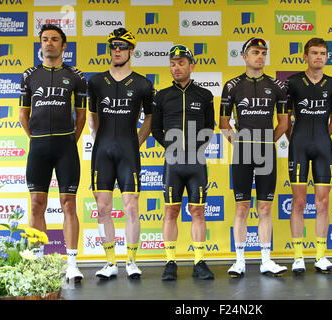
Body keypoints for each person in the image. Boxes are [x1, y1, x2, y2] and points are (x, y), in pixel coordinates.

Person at [19, 24, 87, 282]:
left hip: (65, 147)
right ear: (41, 44)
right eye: (45, 39)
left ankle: (72, 264)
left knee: (68, 204)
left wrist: (71, 140)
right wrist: (35, 139)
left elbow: (81, 115)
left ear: (63, 45)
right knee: (37, 204)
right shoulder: (28, 76)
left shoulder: (77, 76)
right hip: (38, 147)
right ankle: (38, 262)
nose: (49, 43)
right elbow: (23, 114)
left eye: (54, 40)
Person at [87, 28, 154, 279]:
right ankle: (110, 262)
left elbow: (150, 117)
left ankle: (132, 262)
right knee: (103, 208)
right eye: (113, 46)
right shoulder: (95, 82)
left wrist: (136, 141)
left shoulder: (143, 84)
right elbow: (91, 115)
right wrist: (96, 137)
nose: (117, 50)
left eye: (122, 47)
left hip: (128, 150)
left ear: (131, 51)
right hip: (102, 150)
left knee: (132, 207)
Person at [220, 37, 289, 277]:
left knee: (265, 208)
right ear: (245, 56)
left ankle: (266, 261)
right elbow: (223, 122)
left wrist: (268, 141)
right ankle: (239, 261)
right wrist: (238, 142)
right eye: (255, 52)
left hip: (266, 152)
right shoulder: (232, 86)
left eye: (263, 52)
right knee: (241, 207)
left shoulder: (277, 86)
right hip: (242, 152)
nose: (260, 56)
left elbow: (283, 122)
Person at [151, 45, 215, 281]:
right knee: (171, 211)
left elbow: (210, 127)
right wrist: (170, 147)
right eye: (172, 63)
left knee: (198, 211)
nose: (175, 67)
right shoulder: (162, 96)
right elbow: (156, 128)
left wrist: (198, 147)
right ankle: (170, 262)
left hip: (196, 161)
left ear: (191, 65)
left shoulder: (204, 95)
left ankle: (199, 261)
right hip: (173, 161)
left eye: (180, 63)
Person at [284, 38, 332, 274]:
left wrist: (319, 138)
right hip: (298, 145)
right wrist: (296, 138)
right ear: (305, 56)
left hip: (323, 147)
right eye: (314, 53)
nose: (319, 57)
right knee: (298, 202)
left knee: (323, 203)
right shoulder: (293, 83)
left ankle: (320, 255)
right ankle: (298, 256)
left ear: (327, 57)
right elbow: (285, 120)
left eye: (323, 53)